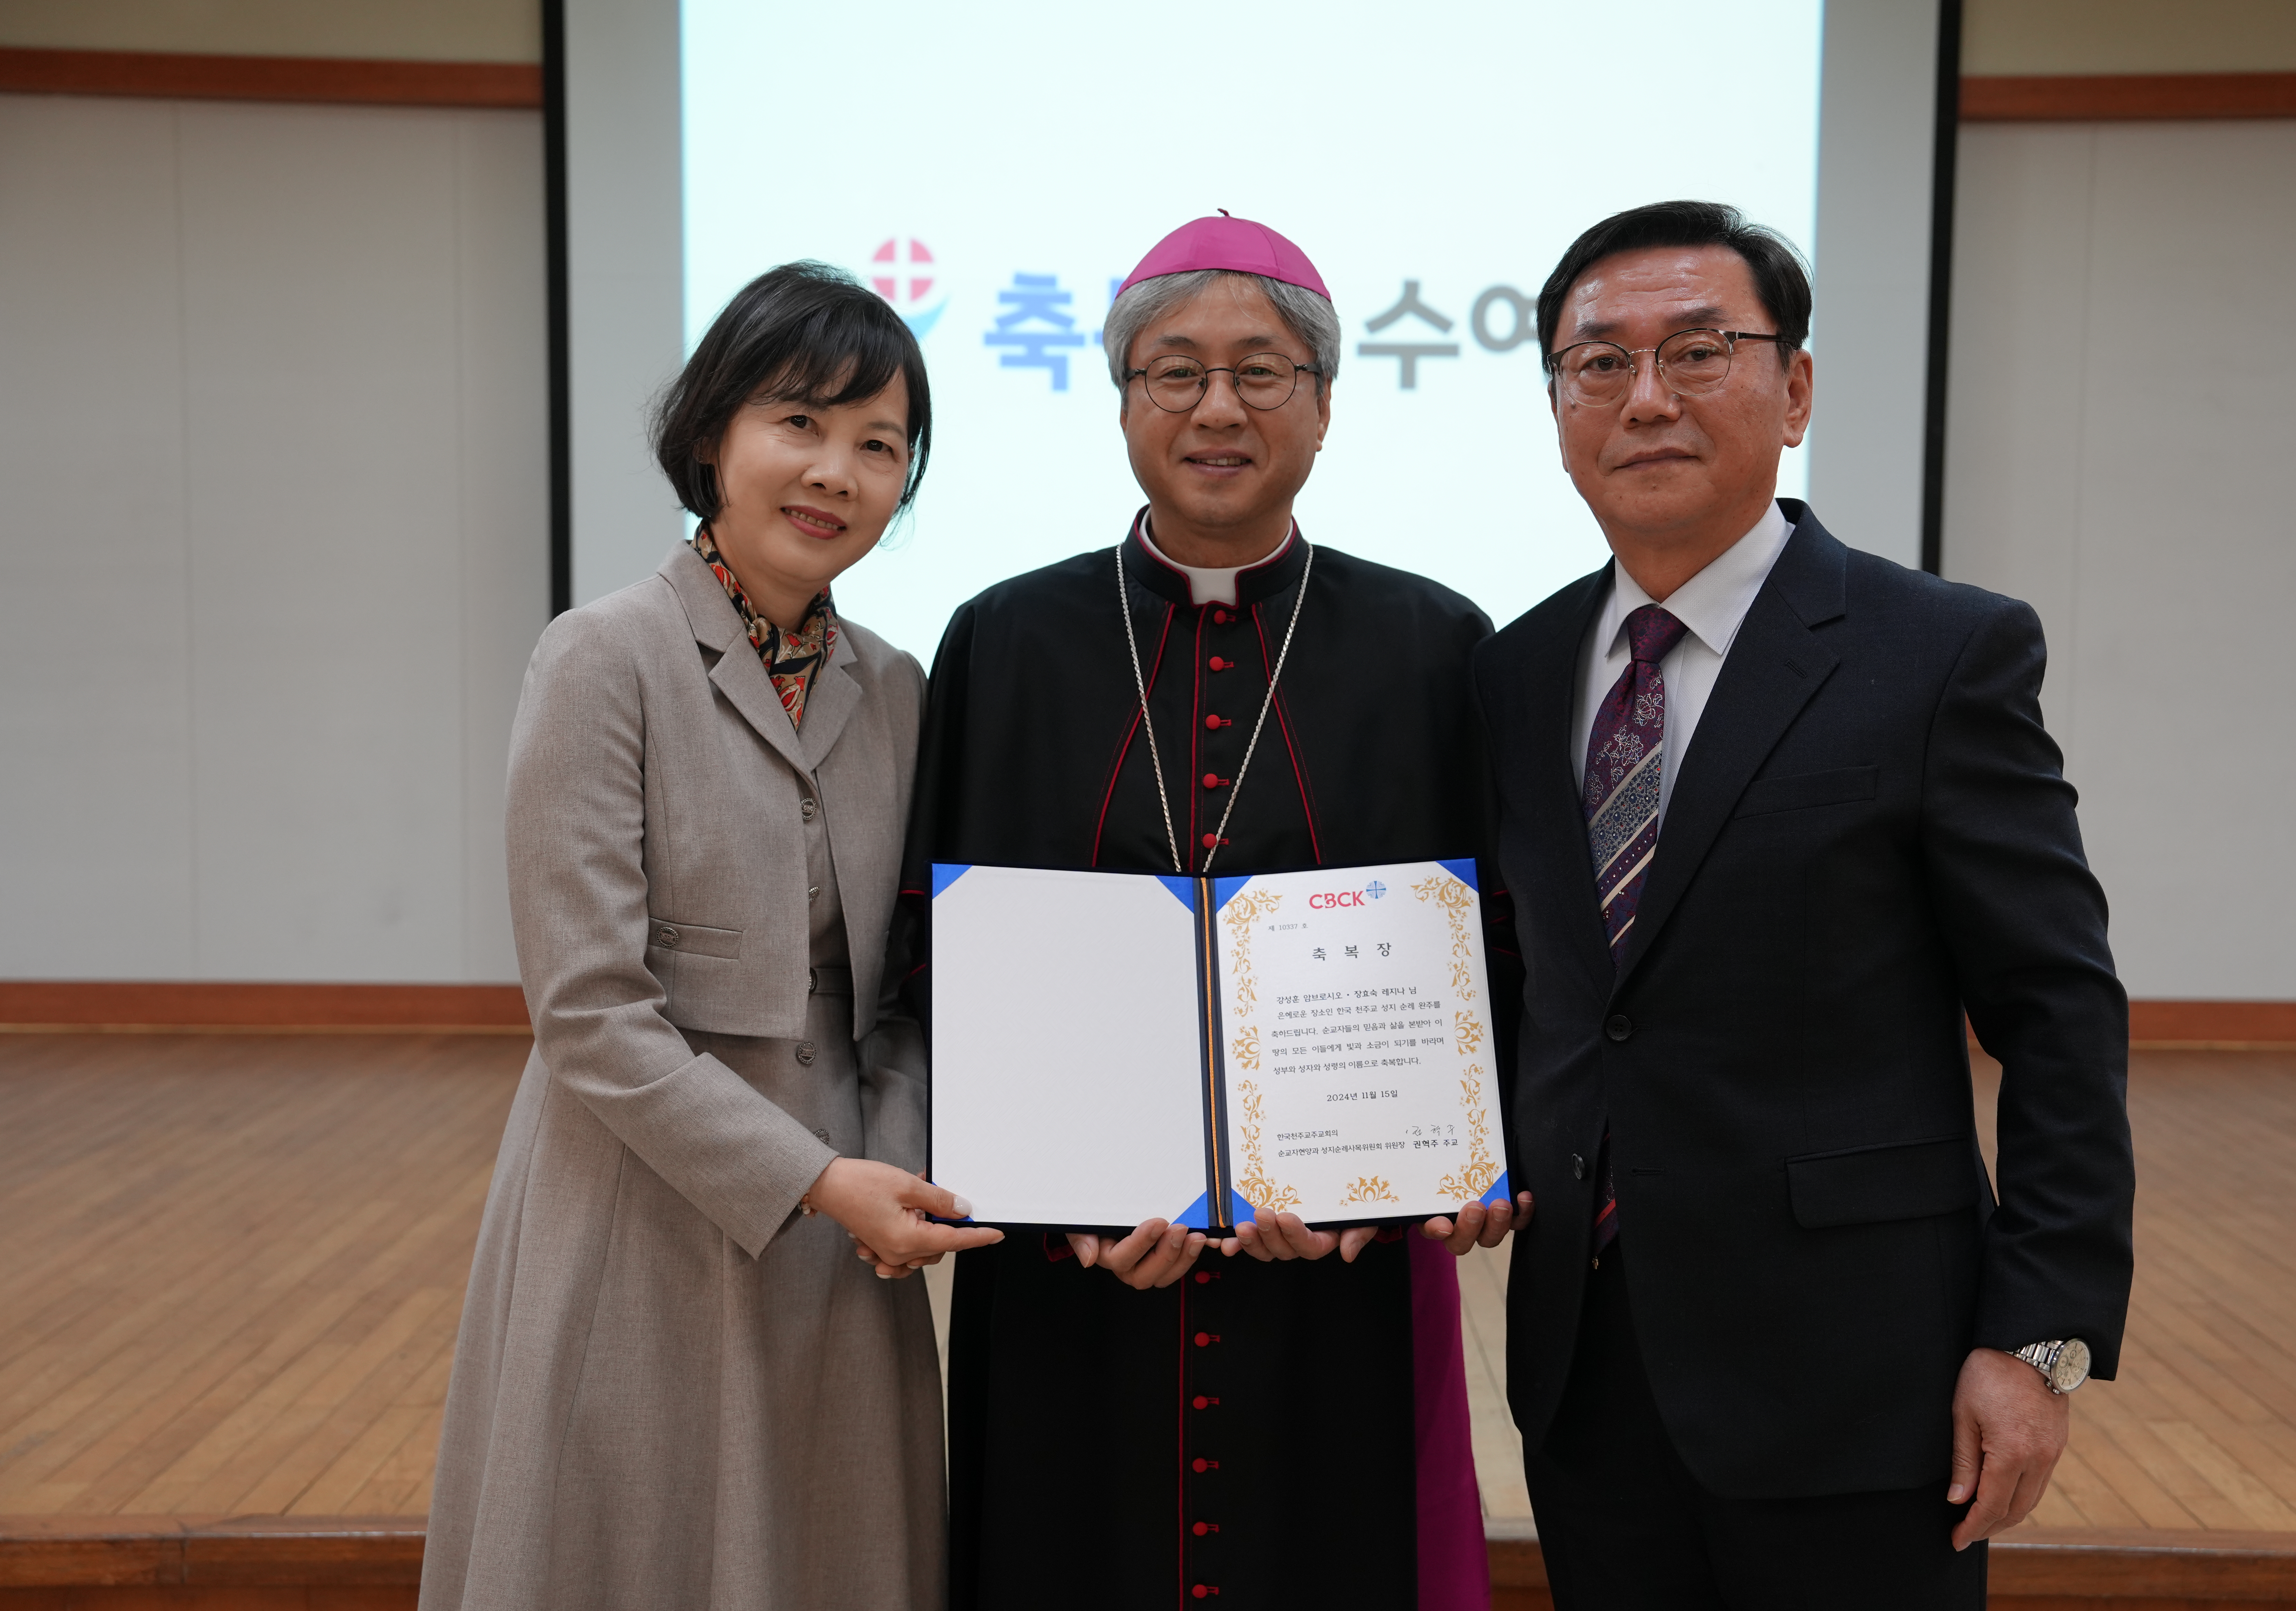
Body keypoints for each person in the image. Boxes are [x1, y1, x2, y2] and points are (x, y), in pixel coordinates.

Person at [1477, 201, 2134, 1608]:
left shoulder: (1939, 653)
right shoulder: (1515, 673)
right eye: (1600, 363)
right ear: (1557, 404)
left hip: (1861, 1379)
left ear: (1798, 388)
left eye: (1699, 352)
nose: (1645, 397)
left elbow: (2057, 1008)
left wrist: (2038, 1339)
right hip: (1590, 1368)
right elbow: (1535, 990)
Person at [896, 214, 1522, 1610]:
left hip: (1340, 1276)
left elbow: (1497, 962)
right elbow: (937, 959)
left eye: (1264, 371)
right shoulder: (1003, 640)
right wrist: (1048, 1195)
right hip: (1070, 1271)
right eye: (1174, 373)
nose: (1219, 408)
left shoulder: (1436, 645)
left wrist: (1417, 1177)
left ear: (1326, 402)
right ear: (1122, 400)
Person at [419, 262, 1000, 1611]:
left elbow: (909, 987)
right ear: (712, 436)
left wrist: (893, 1171)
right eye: (800, 423)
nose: (837, 473)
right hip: (638, 1211)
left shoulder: (901, 689)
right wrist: (809, 1178)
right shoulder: (601, 659)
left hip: (848, 1242)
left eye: (879, 445)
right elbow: (589, 1014)